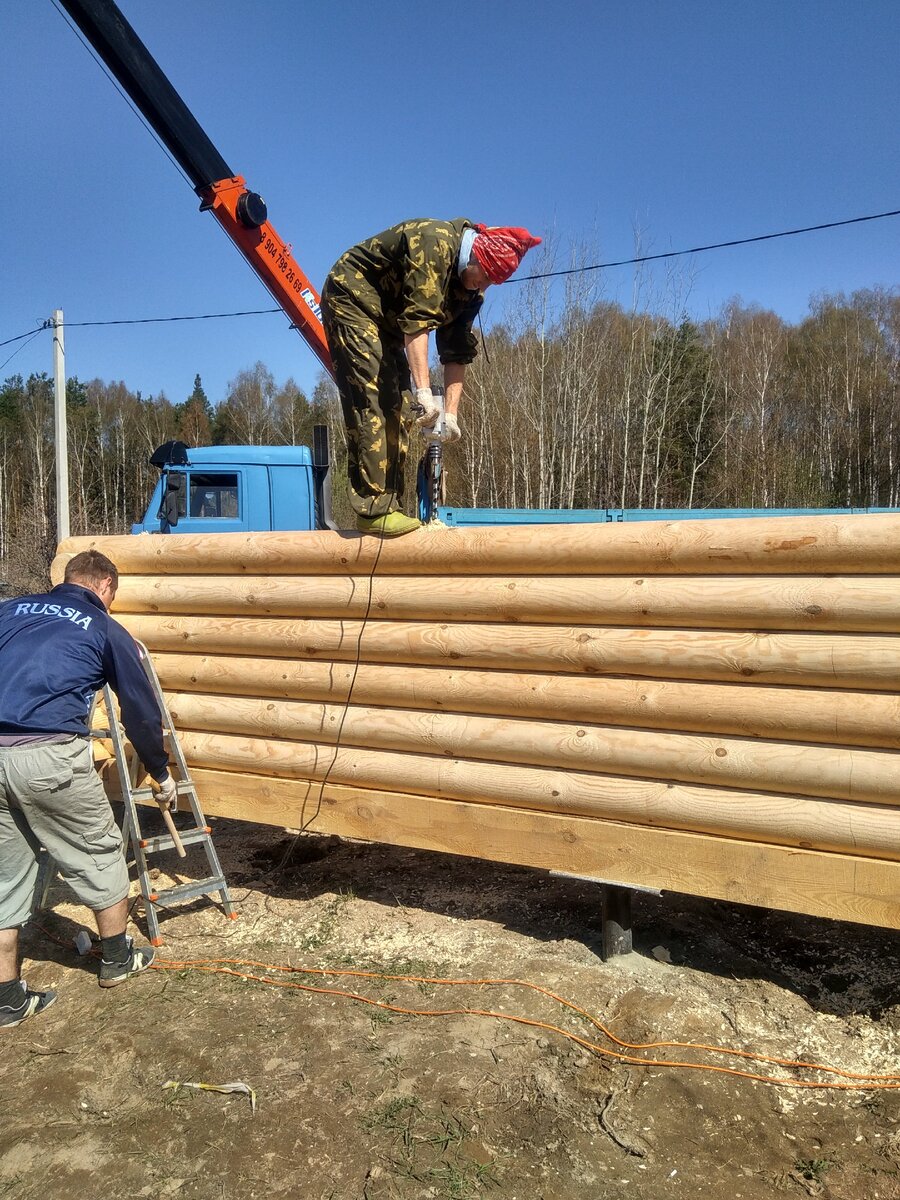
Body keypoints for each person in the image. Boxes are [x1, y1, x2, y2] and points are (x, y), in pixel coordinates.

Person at [0, 549, 176, 1028]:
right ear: (106, 588)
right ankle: (118, 958)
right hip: (49, 754)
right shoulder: (103, 628)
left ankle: (7, 1001)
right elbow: (139, 709)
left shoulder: (10, 610)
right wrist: (159, 771)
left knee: (3, 874)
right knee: (97, 848)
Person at [322, 218, 541, 537]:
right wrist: (425, 391)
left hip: (388, 323)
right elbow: (418, 324)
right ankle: (372, 508)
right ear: (476, 258)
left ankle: (390, 506)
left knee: (400, 406)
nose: (484, 288)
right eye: (486, 277)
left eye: (492, 283)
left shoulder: (470, 291)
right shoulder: (434, 245)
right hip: (352, 301)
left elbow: (457, 352)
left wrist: (450, 414)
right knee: (374, 400)